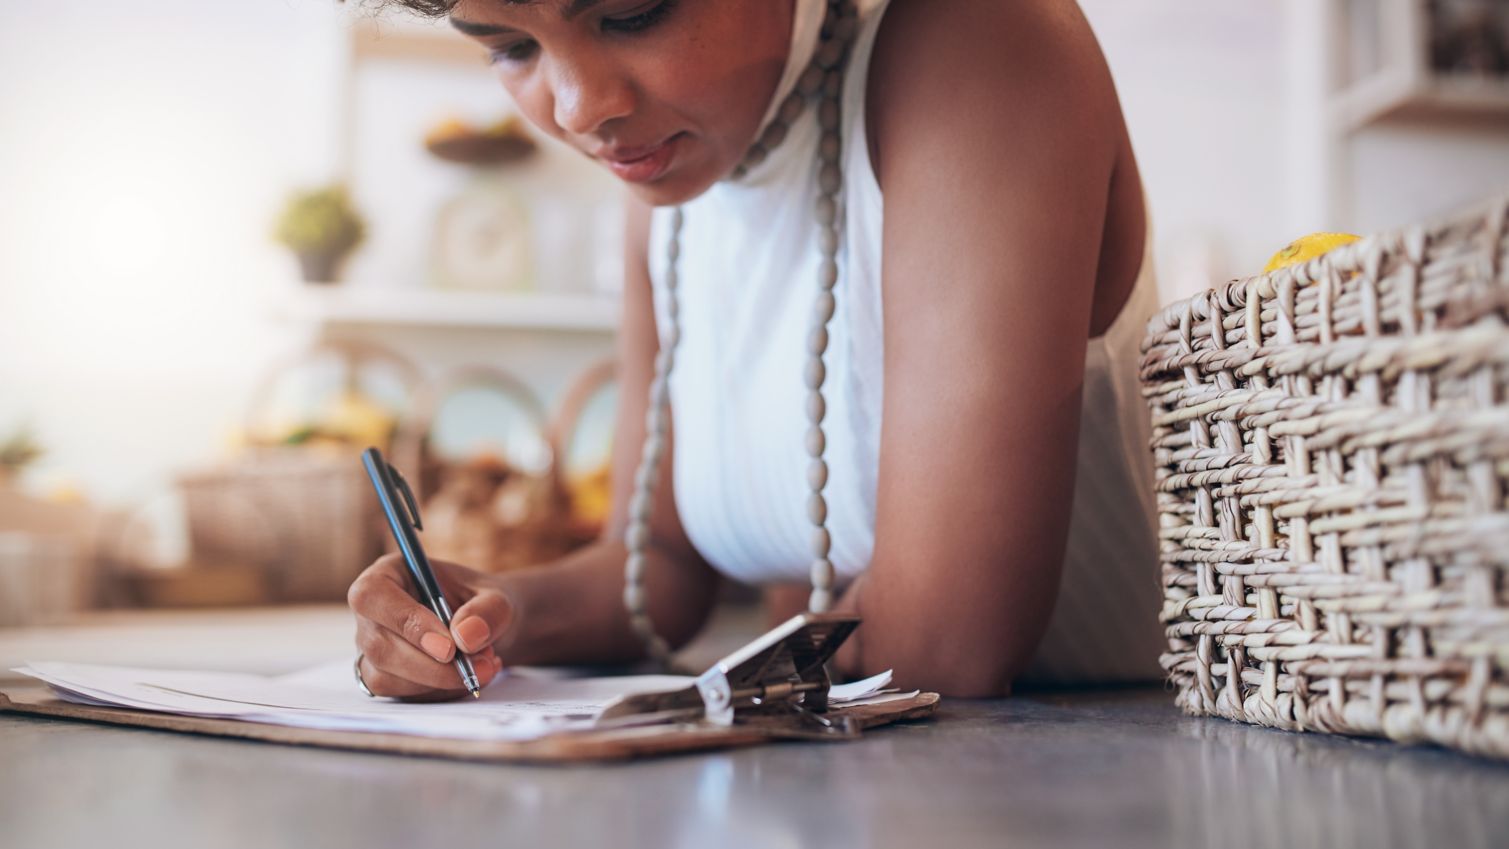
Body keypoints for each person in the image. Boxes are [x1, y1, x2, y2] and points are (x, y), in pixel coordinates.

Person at [347, 0, 1167, 700]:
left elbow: (949, 640)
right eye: (507, 44)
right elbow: (654, 568)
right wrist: (482, 616)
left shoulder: (981, 39)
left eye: (631, 13)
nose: (577, 107)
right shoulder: (666, 183)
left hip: (1109, 780)